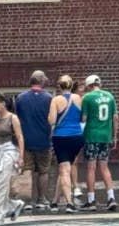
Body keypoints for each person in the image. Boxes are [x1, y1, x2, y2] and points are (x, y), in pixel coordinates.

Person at [14, 70, 54, 212]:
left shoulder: (20, 98)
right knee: (43, 171)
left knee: (27, 170)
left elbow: (16, 118)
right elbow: (53, 119)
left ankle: (27, 201)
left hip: (25, 141)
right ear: (42, 81)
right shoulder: (50, 98)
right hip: (44, 140)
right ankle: (41, 199)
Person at [80, 74, 118, 211]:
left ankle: (91, 200)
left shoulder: (87, 98)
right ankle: (111, 198)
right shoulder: (110, 96)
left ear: (89, 86)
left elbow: (83, 118)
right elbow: (115, 117)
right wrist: (115, 136)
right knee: (104, 167)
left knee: (91, 168)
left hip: (91, 135)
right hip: (105, 136)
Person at [48, 75, 84, 214]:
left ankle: (70, 203)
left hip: (61, 137)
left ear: (59, 86)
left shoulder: (56, 100)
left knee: (64, 170)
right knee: (65, 168)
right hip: (76, 137)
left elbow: (51, 121)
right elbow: (82, 117)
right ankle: (55, 201)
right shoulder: (78, 98)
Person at [0, 94, 25, 225]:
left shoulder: (12, 118)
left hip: (8, 153)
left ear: (3, 103)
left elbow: (20, 137)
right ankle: (14, 204)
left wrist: (21, 156)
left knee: (1, 187)